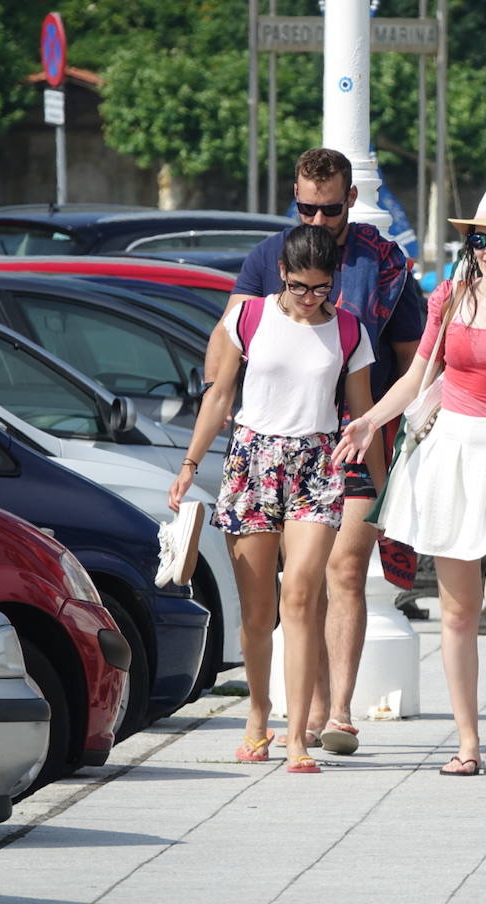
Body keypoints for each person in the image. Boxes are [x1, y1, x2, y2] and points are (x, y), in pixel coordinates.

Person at [335, 186, 486, 779]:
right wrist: (369, 420)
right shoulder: (449, 295)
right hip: (452, 455)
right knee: (458, 612)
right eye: (478, 239)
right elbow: (418, 375)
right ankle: (467, 740)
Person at [209, 147, 424, 755]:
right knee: (292, 589)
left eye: (329, 209)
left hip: (358, 437)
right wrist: (220, 399)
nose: (317, 220)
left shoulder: (385, 263)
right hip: (277, 444)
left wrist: (403, 425)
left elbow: (411, 355)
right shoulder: (268, 257)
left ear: (351, 201)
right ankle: (291, 714)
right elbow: (227, 336)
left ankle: (337, 712)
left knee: (345, 571)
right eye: (305, 207)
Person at [170, 224, 376, 774]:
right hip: (252, 461)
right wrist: (190, 465)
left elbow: (362, 415)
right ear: (282, 275)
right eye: (301, 287)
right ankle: (258, 715)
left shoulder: (349, 329)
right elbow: (219, 397)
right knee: (259, 611)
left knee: (303, 596)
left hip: (317, 462)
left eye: (322, 288)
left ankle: (297, 734)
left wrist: (380, 487)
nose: (312, 300)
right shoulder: (248, 316)